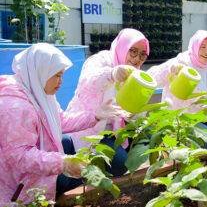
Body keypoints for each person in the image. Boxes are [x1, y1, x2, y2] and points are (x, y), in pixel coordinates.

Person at [0, 44, 88, 205]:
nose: (60, 81)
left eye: (61, 76)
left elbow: (62, 120)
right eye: (56, 75)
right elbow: (19, 157)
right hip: (15, 186)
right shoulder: (15, 107)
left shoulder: (39, 92)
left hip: (34, 176)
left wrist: (96, 116)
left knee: (67, 144)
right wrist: (62, 163)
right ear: (40, 71)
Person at [63, 29, 150, 176]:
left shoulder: (136, 75)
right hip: (88, 126)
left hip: (114, 130)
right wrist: (112, 74)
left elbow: (134, 111)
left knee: (141, 147)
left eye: (142, 55)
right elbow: (87, 81)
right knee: (118, 164)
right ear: (123, 47)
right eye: (133, 51)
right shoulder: (101, 60)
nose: (137, 59)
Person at [147, 30, 207, 111]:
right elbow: (151, 78)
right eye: (202, 47)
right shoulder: (181, 62)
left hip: (200, 121)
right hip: (174, 120)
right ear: (195, 46)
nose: (206, 51)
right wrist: (169, 70)